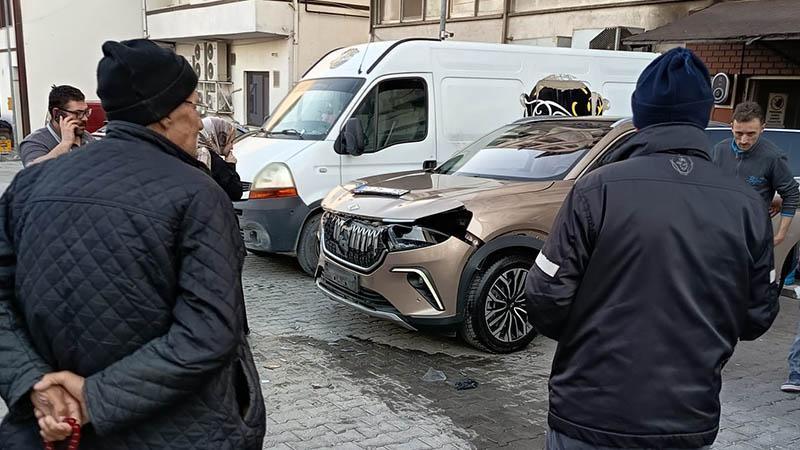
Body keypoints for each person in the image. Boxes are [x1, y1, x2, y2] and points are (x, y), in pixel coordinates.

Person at [0, 39, 265, 449]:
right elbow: (209, 331)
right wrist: (91, 397)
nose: (198, 122)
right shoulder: (197, 194)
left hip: (50, 431)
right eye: (194, 106)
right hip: (180, 432)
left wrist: (33, 382)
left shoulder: (28, 185)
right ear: (163, 115)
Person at [525, 47, 779, 450]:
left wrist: (592, 334)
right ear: (703, 117)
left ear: (641, 115)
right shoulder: (747, 204)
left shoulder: (596, 189)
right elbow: (758, 314)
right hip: (684, 418)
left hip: (589, 413)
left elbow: (543, 296)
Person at [711, 101, 799, 247]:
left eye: (751, 134)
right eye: (739, 133)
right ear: (731, 126)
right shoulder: (719, 150)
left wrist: (780, 236)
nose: (744, 140)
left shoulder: (773, 157)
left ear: (762, 129)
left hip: (753, 236)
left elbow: (791, 194)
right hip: (718, 231)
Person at [18, 85, 95, 167]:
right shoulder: (34, 142)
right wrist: (65, 144)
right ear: (56, 114)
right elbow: (32, 171)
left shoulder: (87, 138)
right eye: (78, 113)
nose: (85, 118)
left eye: (86, 112)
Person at [197, 116, 243, 201]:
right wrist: (231, 165)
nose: (232, 147)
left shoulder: (194, 152)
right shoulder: (215, 161)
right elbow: (235, 193)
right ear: (221, 138)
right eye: (231, 141)